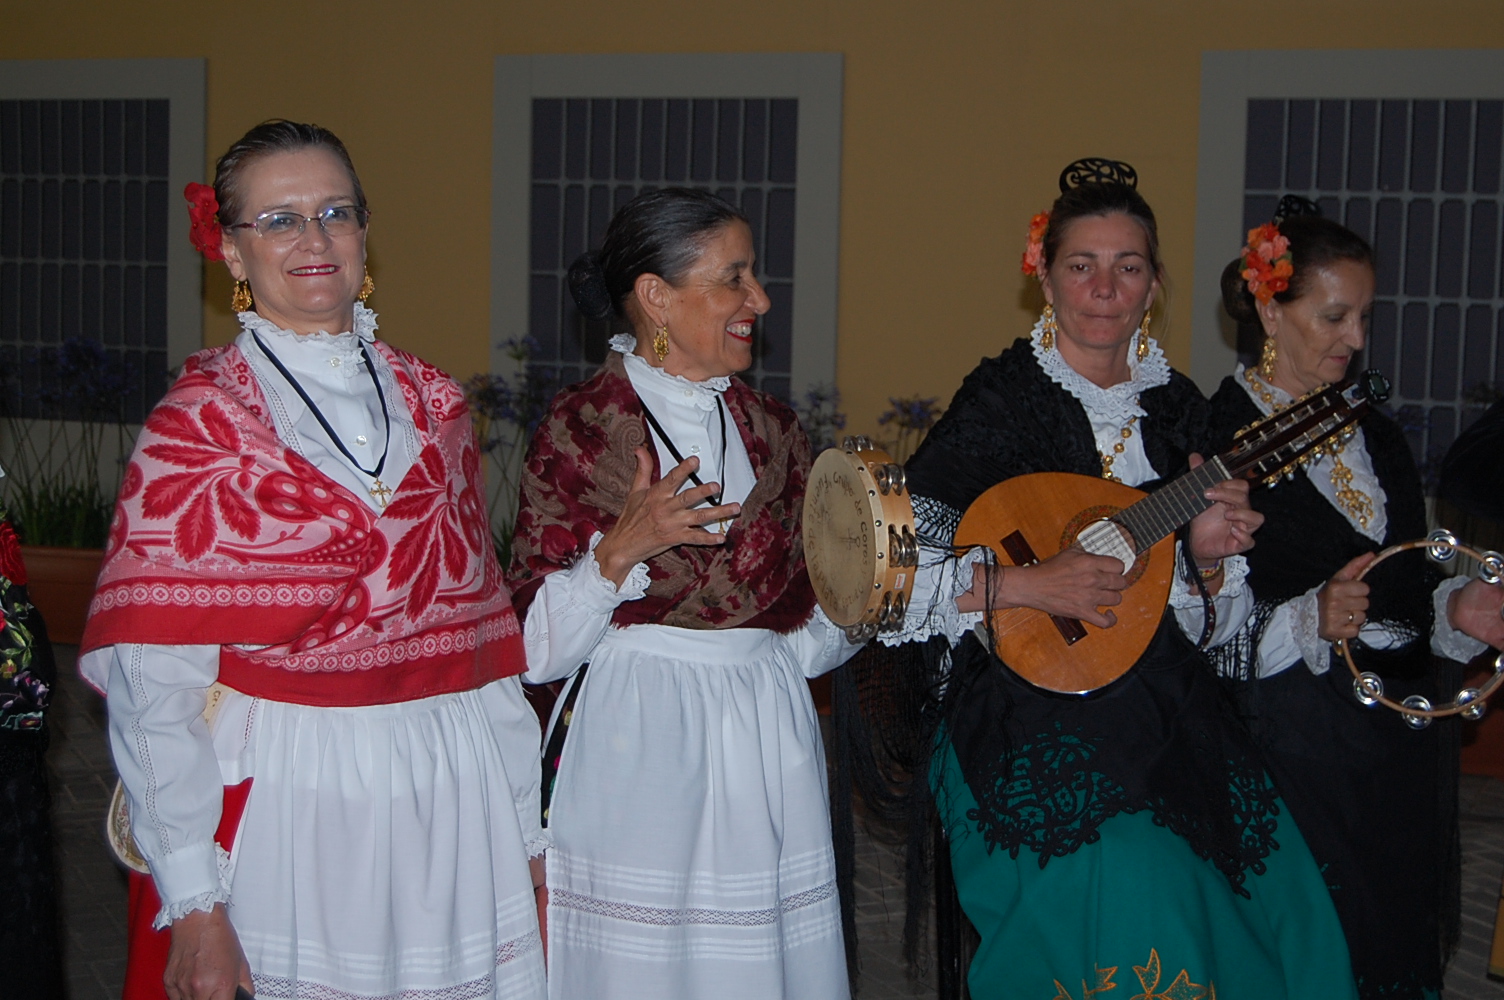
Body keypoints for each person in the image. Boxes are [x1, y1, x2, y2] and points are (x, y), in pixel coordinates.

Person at [78, 121, 547, 1000]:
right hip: (298, 794)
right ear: (232, 250)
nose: (315, 238)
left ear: (366, 232)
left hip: (455, 791)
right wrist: (194, 905)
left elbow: (486, 660)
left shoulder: (435, 403)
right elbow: (151, 683)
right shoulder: (199, 427)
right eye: (280, 220)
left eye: (335, 212)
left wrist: (526, 839)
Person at [884, 161, 1358, 998]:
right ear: (1044, 276)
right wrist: (1029, 587)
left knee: (1283, 886)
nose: (1105, 288)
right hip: (1019, 702)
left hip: (1166, 701)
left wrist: (1206, 558)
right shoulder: (1002, 401)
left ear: (1155, 285)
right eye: (1082, 265)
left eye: (1128, 266)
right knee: (1130, 871)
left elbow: (1212, 634)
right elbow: (898, 572)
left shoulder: (1178, 410)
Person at [506, 187, 863, 1000]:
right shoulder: (584, 430)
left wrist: (864, 594)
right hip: (637, 748)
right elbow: (532, 652)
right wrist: (619, 553)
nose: (759, 299)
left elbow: (802, 637)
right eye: (733, 278)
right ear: (656, 296)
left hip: (769, 739)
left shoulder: (777, 432)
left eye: (754, 275)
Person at [1207, 204, 1504, 999]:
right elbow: (1196, 619)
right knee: (1311, 948)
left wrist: (1458, 611)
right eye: (1333, 316)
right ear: (1270, 309)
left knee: (1396, 941)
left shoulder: (1373, 431)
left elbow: (1410, 582)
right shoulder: (1216, 438)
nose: (1356, 339)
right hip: (1292, 742)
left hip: (1402, 739)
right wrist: (1311, 613)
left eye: (1364, 316)